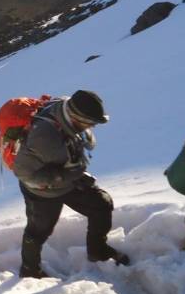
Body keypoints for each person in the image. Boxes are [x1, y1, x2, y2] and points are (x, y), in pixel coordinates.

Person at [13, 89, 129, 278]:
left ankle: (97, 250)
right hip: (42, 192)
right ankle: (29, 270)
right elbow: (23, 172)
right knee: (38, 231)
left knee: (101, 204)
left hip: (69, 178)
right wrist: (62, 176)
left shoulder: (67, 114)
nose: (92, 126)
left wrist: (72, 173)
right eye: (90, 122)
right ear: (75, 116)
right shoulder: (44, 135)